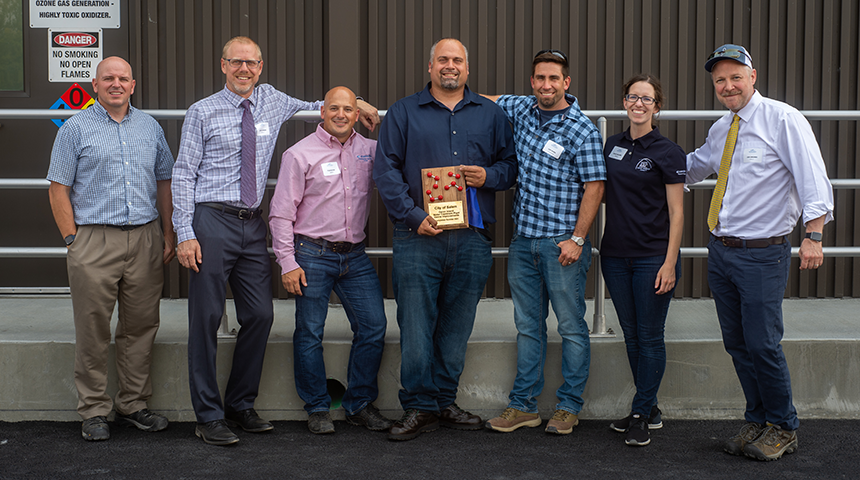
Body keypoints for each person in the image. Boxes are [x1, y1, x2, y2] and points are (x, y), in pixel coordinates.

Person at [172, 36, 379, 446]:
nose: (244, 70)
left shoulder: (271, 99)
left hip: (252, 225)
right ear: (223, 65)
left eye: (251, 63)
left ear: (261, 67)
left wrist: (361, 103)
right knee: (207, 319)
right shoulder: (202, 112)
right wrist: (185, 232)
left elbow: (317, 107)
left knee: (261, 316)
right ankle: (208, 415)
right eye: (236, 63)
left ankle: (240, 404)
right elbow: (182, 173)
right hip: (211, 218)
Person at [686, 44, 834, 461]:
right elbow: (694, 167)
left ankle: (784, 426)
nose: (728, 85)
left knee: (763, 343)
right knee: (736, 343)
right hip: (722, 251)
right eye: (720, 80)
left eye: (736, 77)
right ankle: (759, 418)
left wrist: (814, 234)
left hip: (762, 255)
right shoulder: (722, 128)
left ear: (753, 76)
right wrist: (643, 167)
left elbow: (813, 176)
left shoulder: (782, 119)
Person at [373, 38, 517, 441]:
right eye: (443, 60)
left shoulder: (491, 114)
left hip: (471, 237)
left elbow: (510, 166)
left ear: (467, 69)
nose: (449, 66)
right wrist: (413, 216)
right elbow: (386, 172)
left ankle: (443, 401)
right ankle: (419, 406)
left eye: (457, 60)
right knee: (416, 323)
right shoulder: (403, 112)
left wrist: (489, 176)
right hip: (419, 235)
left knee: (456, 325)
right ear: (430, 67)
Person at [47, 56, 175, 441]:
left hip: (145, 237)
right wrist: (73, 240)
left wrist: (168, 234)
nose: (116, 84)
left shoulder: (150, 127)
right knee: (92, 328)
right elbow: (58, 188)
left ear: (133, 85)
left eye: (123, 78)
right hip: (93, 240)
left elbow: (164, 180)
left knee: (140, 326)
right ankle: (94, 410)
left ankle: (133, 403)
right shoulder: (74, 128)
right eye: (108, 78)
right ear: (95, 85)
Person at [481, 49, 606, 436]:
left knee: (571, 326)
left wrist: (578, 239)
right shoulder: (521, 109)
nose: (546, 85)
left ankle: (568, 406)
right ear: (532, 81)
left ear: (566, 83)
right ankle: (524, 407)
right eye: (539, 78)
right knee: (528, 327)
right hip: (523, 243)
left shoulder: (581, 128)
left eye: (554, 79)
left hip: (562, 245)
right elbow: (480, 100)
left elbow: (595, 186)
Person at [269, 87, 391, 435]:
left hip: (355, 256)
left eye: (348, 109)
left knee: (373, 327)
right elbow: (280, 215)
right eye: (333, 108)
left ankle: (359, 404)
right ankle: (318, 407)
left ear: (357, 115)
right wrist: (288, 262)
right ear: (322, 112)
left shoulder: (371, 151)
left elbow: (404, 163)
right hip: (311, 255)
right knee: (309, 332)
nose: (340, 114)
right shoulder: (299, 154)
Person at [600, 74, 686, 447]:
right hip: (615, 256)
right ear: (624, 102)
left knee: (650, 336)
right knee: (631, 334)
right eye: (632, 97)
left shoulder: (668, 152)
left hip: (653, 257)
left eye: (646, 99)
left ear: (657, 107)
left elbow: (677, 213)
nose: (638, 103)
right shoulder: (610, 145)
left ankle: (640, 411)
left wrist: (670, 263)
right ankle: (648, 408)